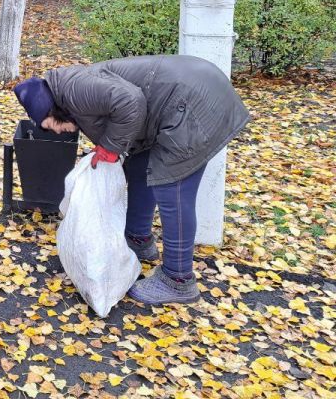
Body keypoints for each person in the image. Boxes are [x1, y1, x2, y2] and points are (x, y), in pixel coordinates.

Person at [13, 55, 249, 305]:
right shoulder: (69, 94)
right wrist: (109, 147)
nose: (57, 132)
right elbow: (124, 118)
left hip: (193, 101)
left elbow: (131, 101)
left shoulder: (75, 90)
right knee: (138, 166)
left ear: (52, 109)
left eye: (50, 126)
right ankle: (138, 239)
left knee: (173, 189)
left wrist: (111, 147)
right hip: (185, 97)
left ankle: (178, 281)